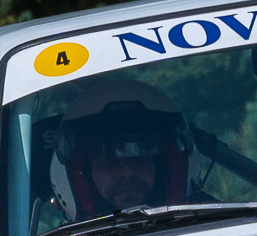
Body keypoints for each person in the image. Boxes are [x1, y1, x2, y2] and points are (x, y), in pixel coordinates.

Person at [53, 77, 197, 217]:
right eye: (109, 161)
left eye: (139, 159)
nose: (127, 173)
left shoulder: (216, 228)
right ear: (84, 172)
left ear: (163, 166)